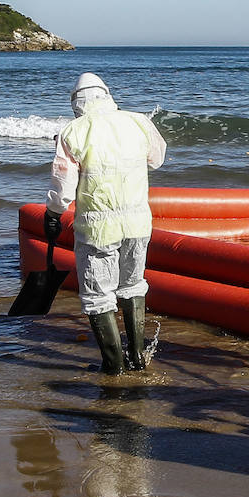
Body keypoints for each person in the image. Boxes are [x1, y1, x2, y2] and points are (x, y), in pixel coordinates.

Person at [45, 73, 167, 375]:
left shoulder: (74, 131)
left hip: (98, 228)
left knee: (98, 296)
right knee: (132, 285)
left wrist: (51, 213)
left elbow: (63, 187)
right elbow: (157, 158)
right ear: (106, 95)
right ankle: (138, 357)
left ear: (77, 102)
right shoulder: (138, 121)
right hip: (138, 223)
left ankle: (113, 366)